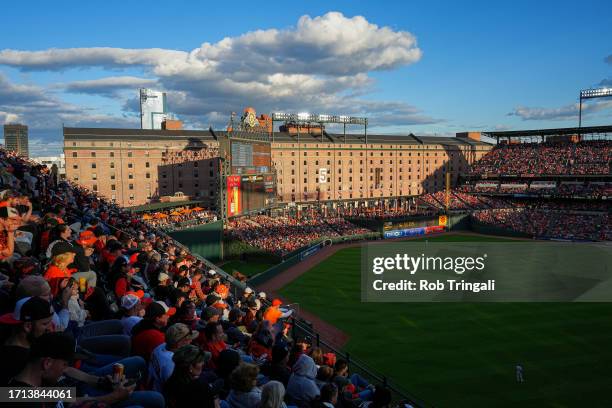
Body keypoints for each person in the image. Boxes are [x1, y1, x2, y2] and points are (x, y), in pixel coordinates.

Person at [7, 332, 135, 408]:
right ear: (47, 363)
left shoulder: (37, 385)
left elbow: (72, 401)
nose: (65, 370)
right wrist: (113, 398)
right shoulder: (21, 398)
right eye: (64, 364)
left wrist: (106, 388)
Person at [0, 296, 54, 385]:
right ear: (28, 326)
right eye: (45, 324)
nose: (50, 328)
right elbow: (8, 395)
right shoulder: (16, 359)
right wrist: (69, 396)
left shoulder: (24, 344)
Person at [149, 322, 198, 392]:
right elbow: (178, 391)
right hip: (163, 396)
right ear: (179, 343)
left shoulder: (161, 346)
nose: (191, 341)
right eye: (188, 339)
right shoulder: (172, 362)